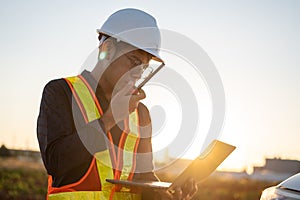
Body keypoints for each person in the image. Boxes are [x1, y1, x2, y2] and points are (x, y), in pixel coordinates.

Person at [37, 8, 197, 200]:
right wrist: (109, 118)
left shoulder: (141, 113)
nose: (139, 73)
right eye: (134, 61)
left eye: (145, 67)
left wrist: (166, 196)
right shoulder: (61, 92)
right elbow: (56, 163)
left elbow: (144, 178)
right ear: (107, 49)